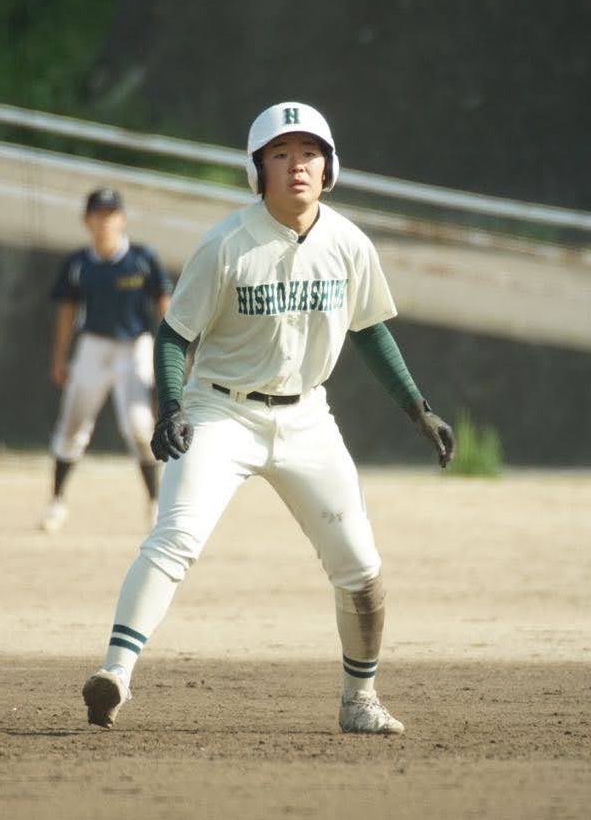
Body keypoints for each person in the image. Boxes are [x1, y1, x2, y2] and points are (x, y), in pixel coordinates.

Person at [82, 103, 455, 734]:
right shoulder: (226, 243)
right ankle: (115, 674)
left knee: (360, 566)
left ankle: (359, 700)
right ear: (258, 171)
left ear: (330, 168)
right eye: (280, 154)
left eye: (309, 153)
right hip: (221, 410)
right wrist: (171, 404)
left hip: (307, 416)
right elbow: (174, 335)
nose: (297, 165)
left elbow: (369, 329)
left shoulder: (349, 243)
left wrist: (417, 409)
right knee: (175, 538)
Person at [41, 187, 172, 532]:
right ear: (87, 220)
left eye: (112, 214)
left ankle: (155, 504)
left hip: (135, 345)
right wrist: (60, 356)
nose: (106, 221)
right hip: (93, 346)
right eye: (98, 214)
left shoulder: (141, 258)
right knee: (72, 424)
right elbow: (67, 311)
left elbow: (164, 302)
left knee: (140, 427)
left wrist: (171, 353)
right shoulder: (79, 264)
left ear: (122, 219)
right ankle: (56, 502)